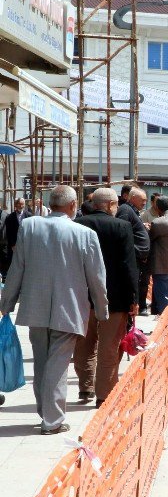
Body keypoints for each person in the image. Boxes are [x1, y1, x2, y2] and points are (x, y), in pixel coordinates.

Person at [0, 186, 108, 435]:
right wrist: (102, 311)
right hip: (69, 308)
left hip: (35, 306)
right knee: (57, 364)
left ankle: (46, 412)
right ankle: (52, 420)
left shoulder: (30, 227)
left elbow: (17, 267)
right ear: (73, 206)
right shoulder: (85, 234)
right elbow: (97, 278)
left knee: (42, 362)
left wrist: (6, 303)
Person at [73, 188, 139, 407]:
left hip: (82, 296)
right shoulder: (122, 226)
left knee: (84, 343)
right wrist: (134, 299)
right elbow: (129, 266)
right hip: (115, 298)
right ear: (111, 204)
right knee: (109, 347)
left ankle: (85, 387)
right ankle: (104, 395)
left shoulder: (79, 225)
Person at [128, 189, 153, 315]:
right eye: (142, 200)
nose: (144, 203)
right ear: (132, 198)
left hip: (141, 258)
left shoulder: (135, 211)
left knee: (144, 283)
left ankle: (140, 305)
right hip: (135, 257)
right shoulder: (127, 210)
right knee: (137, 284)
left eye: (146, 201)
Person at [2, 198, 28, 279]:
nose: (20, 206)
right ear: (15, 205)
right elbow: (8, 232)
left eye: (22, 204)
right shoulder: (10, 217)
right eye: (19, 204)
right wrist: (12, 244)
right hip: (14, 245)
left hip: (26, 243)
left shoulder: (29, 215)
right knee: (14, 262)